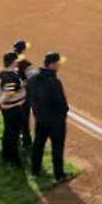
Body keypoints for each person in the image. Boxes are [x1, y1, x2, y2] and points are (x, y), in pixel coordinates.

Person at [27, 51, 73, 180]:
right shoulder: (54, 82)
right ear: (52, 64)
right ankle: (59, 174)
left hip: (40, 119)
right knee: (57, 148)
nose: (59, 66)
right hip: (56, 122)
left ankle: (35, 171)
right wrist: (63, 114)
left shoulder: (33, 78)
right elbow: (61, 103)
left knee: (38, 145)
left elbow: (30, 95)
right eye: (58, 63)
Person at [0, 51, 28, 166]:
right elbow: (9, 93)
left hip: (7, 108)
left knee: (8, 131)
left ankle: (6, 154)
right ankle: (14, 159)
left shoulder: (3, 73)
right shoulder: (11, 76)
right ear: (13, 62)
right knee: (14, 134)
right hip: (14, 109)